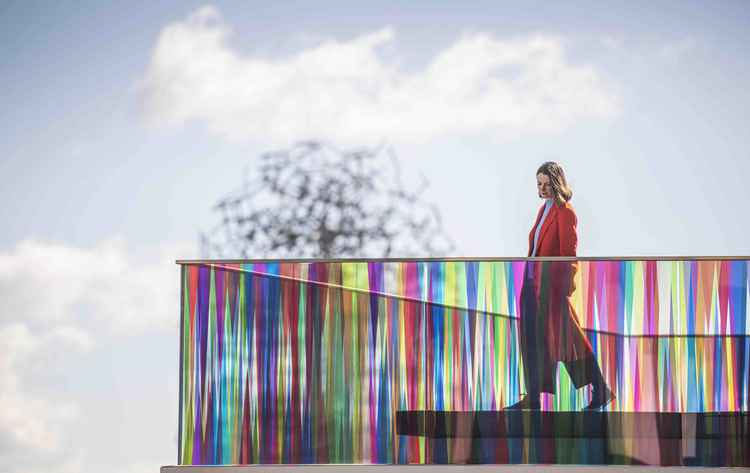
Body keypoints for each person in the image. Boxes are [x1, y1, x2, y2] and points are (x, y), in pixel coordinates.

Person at [505, 162, 614, 411]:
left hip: (550, 288)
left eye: (546, 184)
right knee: (533, 340)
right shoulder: (543, 210)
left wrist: (564, 287)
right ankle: (532, 398)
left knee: (566, 339)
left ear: (556, 183)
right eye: (538, 184)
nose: (541, 189)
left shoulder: (565, 212)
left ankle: (600, 388)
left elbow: (568, 253)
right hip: (532, 286)